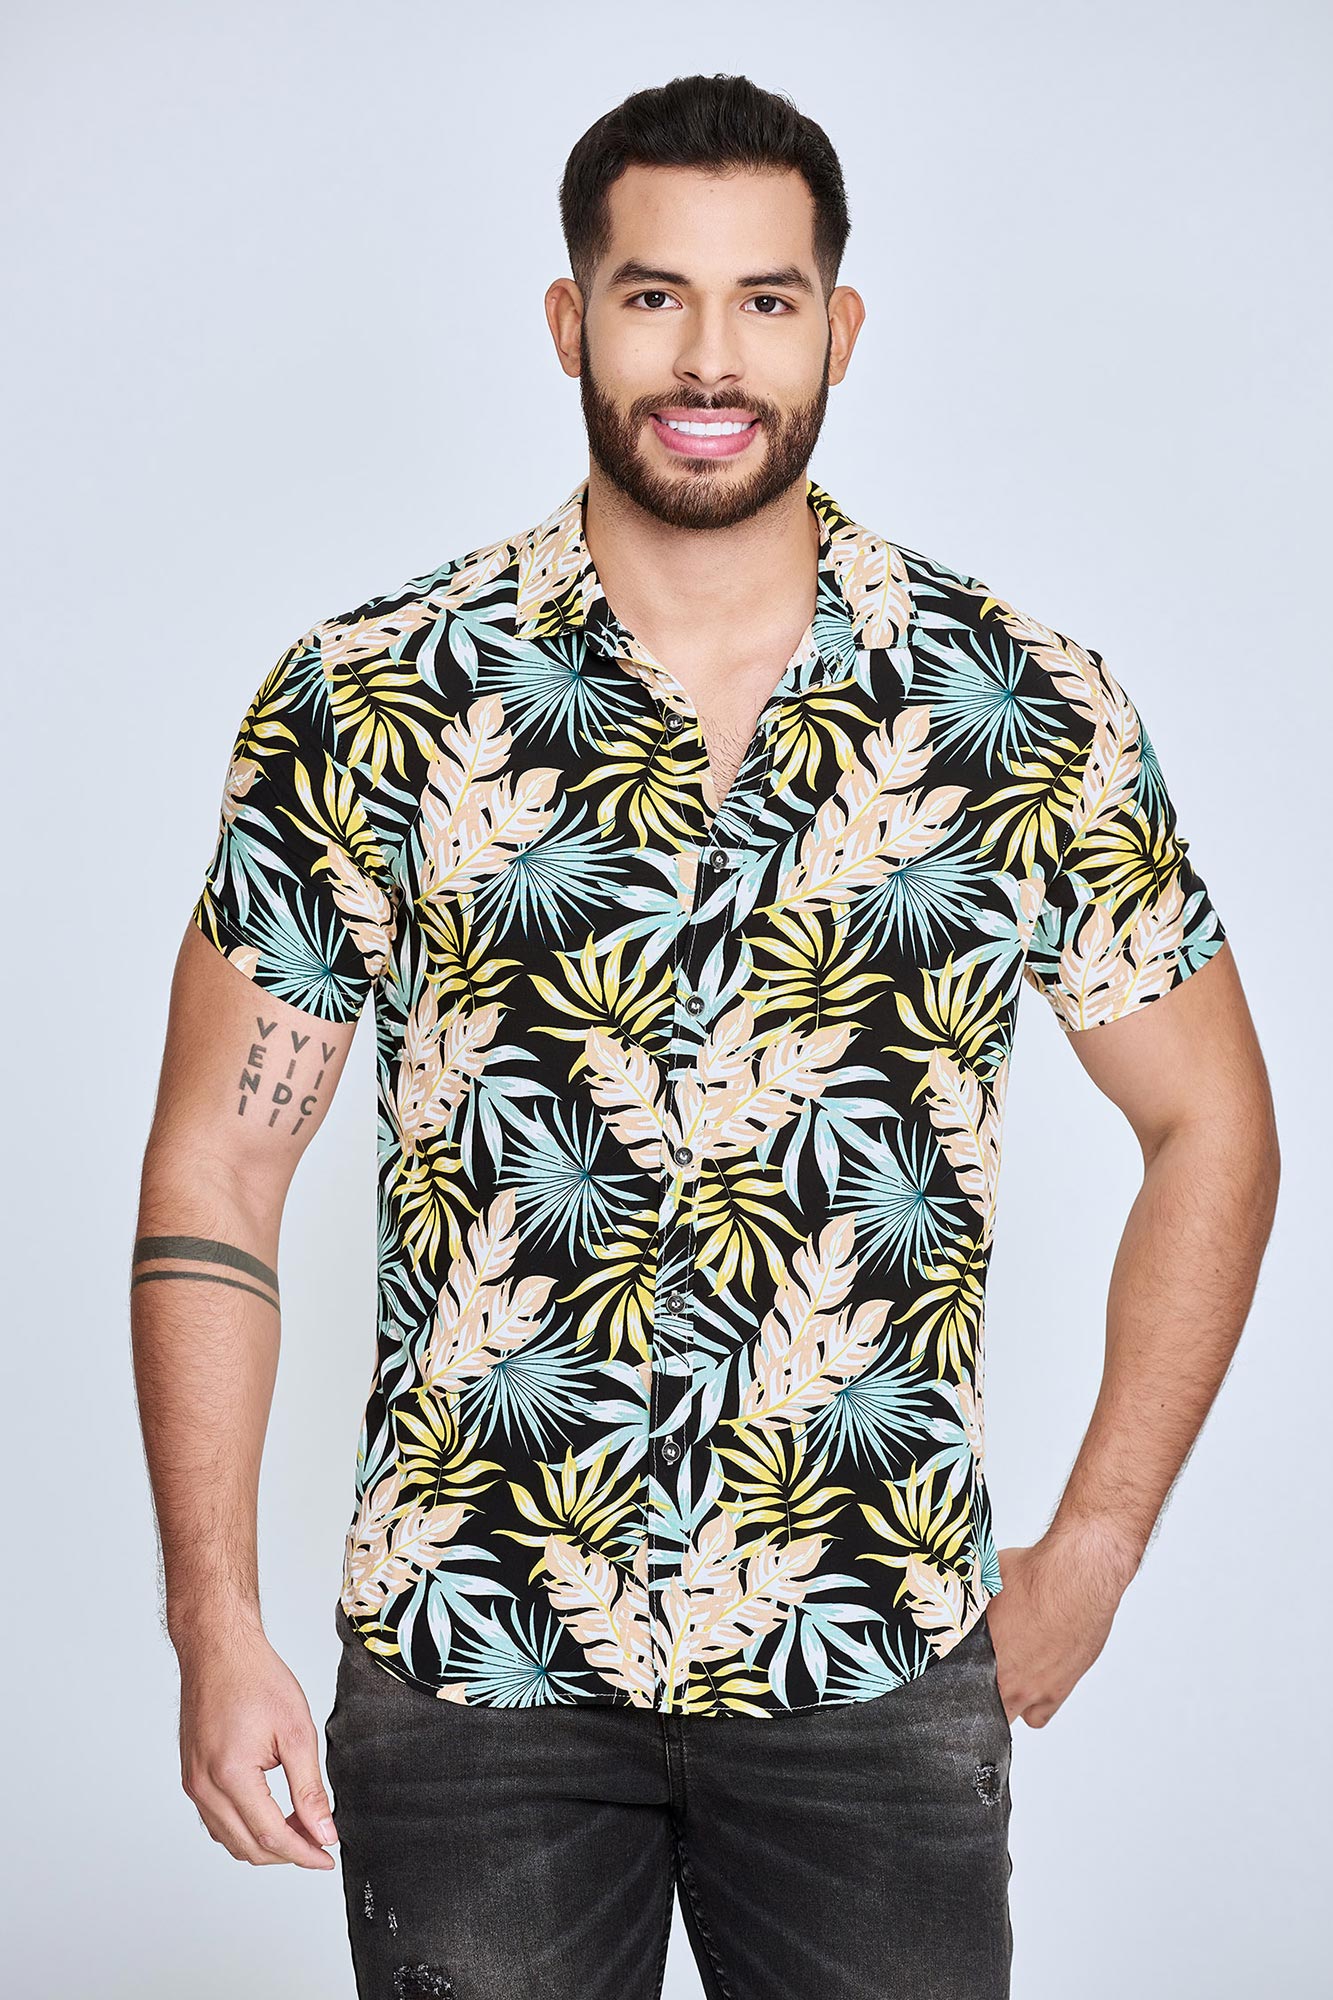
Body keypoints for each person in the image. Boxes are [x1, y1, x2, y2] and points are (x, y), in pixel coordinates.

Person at [131, 71, 1278, 2000]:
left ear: (839, 327)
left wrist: (1091, 1545)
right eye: (654, 296)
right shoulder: (374, 699)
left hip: (871, 1661)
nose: (709, 359)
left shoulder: (1016, 705)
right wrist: (212, 1618)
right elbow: (219, 1162)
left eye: (765, 299)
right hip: (471, 1658)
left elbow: (1213, 1127)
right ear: (569, 320)